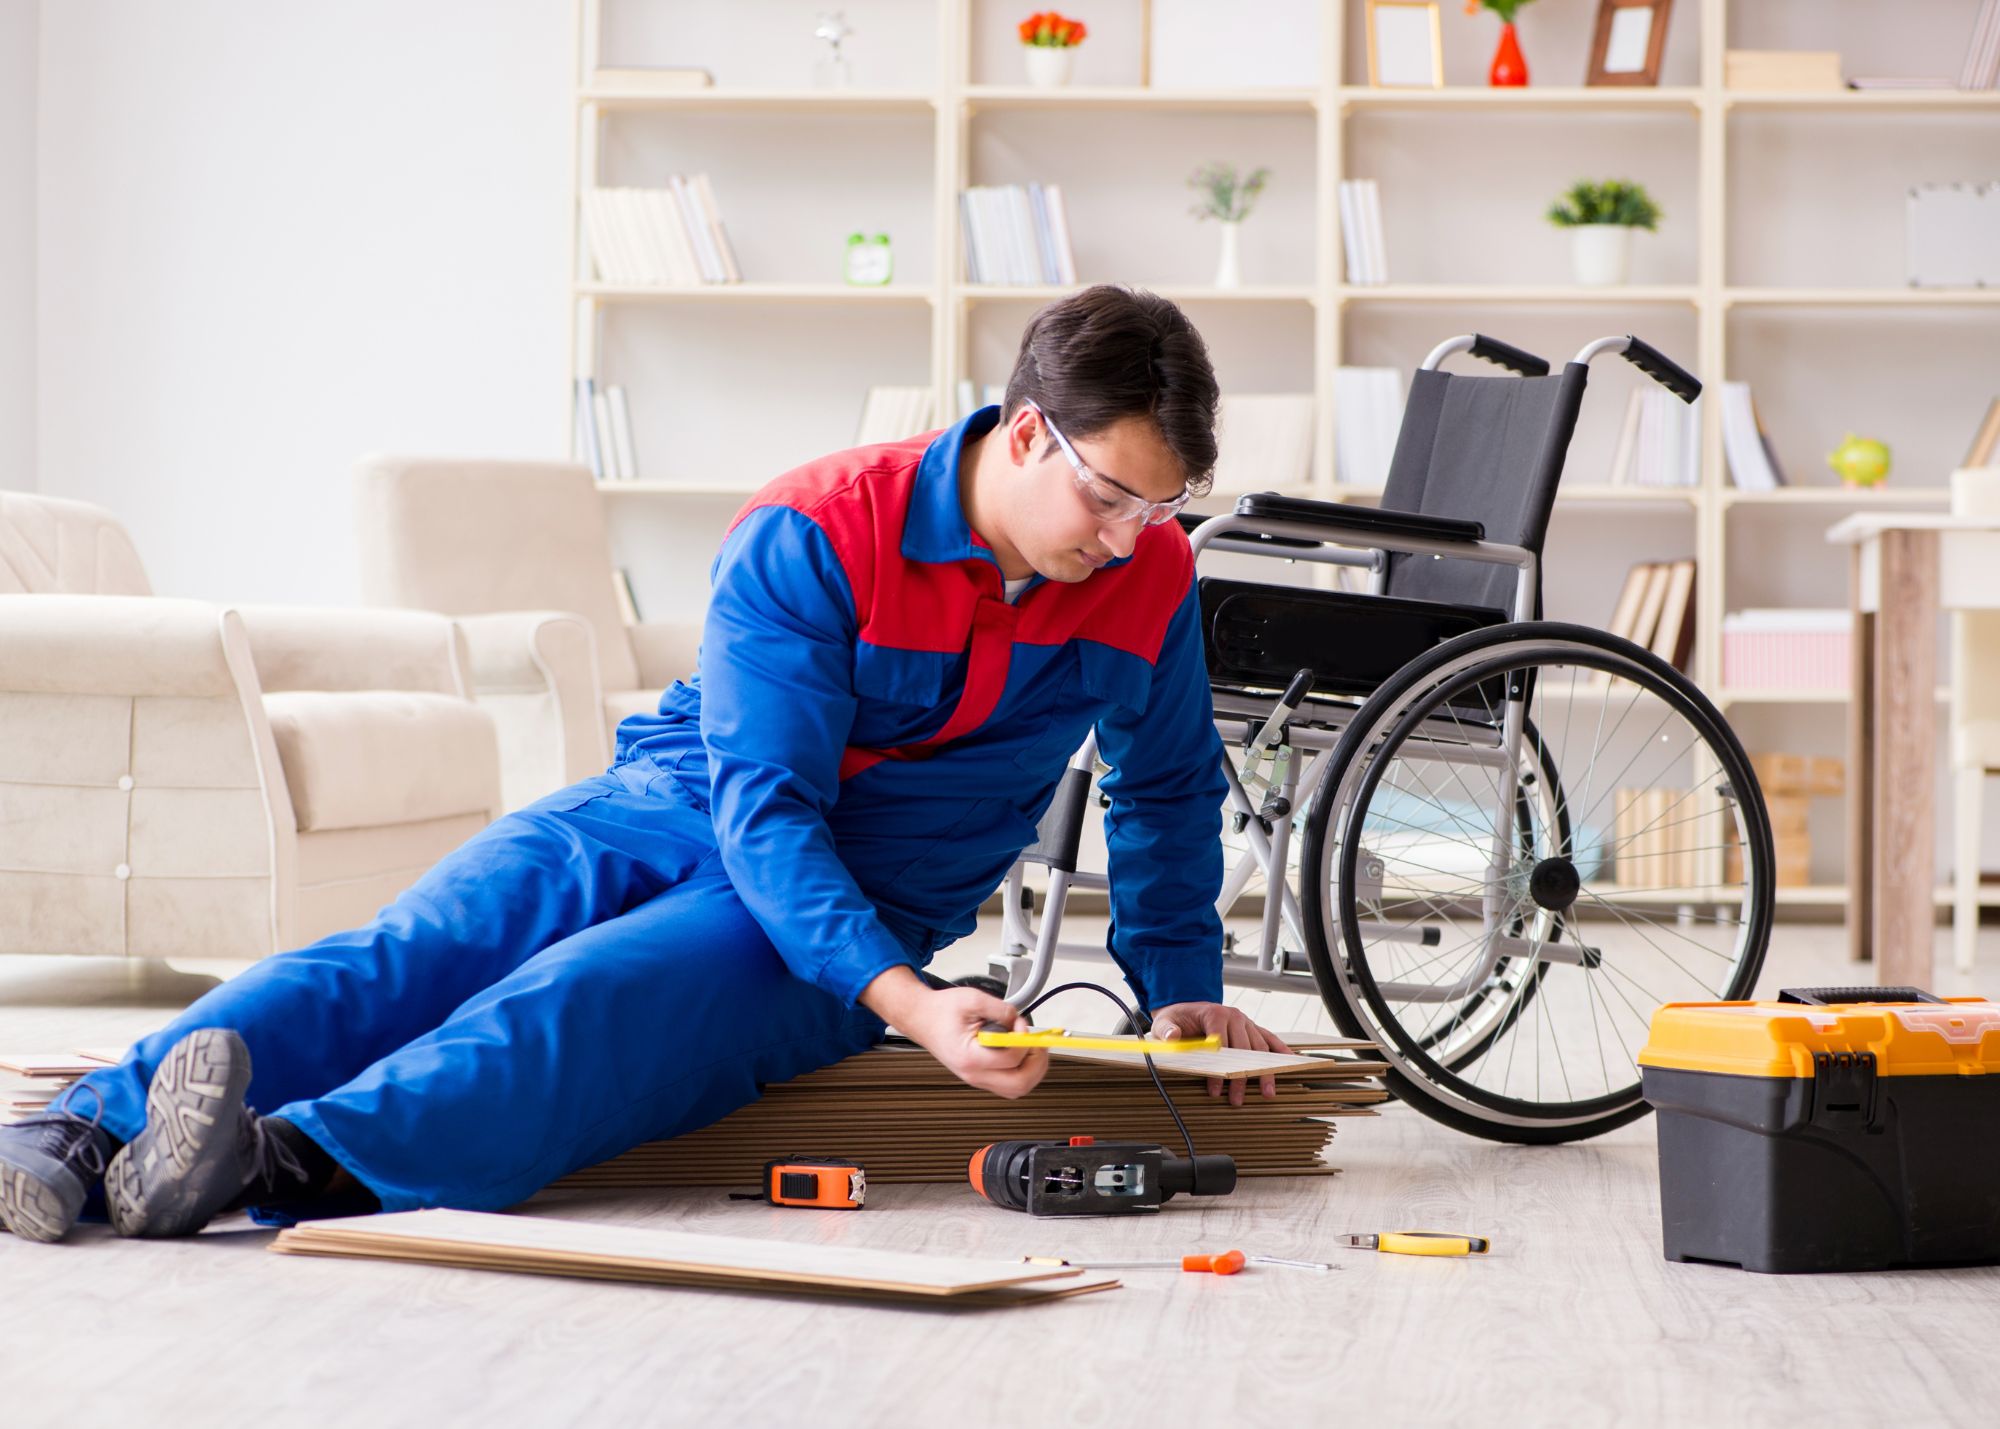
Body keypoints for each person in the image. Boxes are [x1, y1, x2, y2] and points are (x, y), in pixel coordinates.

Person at [0, 284, 1292, 1245]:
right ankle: (83, 1128)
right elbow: (768, 800)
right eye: (1109, 496)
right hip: (678, 801)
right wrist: (913, 1007)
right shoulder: (820, 525)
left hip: (867, 895)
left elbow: (1166, 783)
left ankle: (272, 1161)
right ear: (1024, 434)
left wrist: (1176, 989)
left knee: (590, 998)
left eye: (1157, 509)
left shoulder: (1148, 577)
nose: (1128, 540)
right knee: (431, 939)